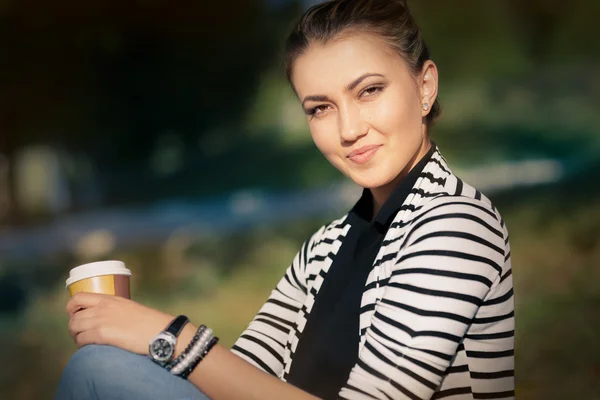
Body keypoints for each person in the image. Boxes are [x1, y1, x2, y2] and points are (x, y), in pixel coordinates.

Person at [55, 0, 515, 399]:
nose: (349, 129)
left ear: (424, 87)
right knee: (102, 366)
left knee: (98, 371)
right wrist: (130, 333)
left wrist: (171, 337)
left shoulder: (458, 225)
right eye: (321, 108)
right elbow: (242, 378)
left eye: (369, 91)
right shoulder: (326, 247)